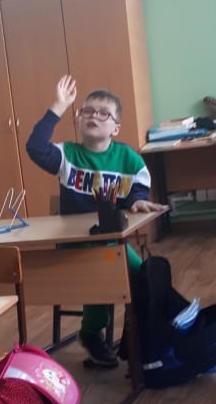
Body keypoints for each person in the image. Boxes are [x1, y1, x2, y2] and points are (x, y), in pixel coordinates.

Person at [26, 75, 166, 368]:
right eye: (87, 111)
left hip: (110, 244)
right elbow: (35, 147)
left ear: (116, 128)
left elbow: (138, 188)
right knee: (104, 270)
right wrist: (59, 105)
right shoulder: (67, 155)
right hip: (74, 246)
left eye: (104, 114)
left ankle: (146, 335)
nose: (93, 116)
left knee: (144, 276)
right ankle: (91, 333)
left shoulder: (128, 158)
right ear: (78, 119)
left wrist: (137, 201)